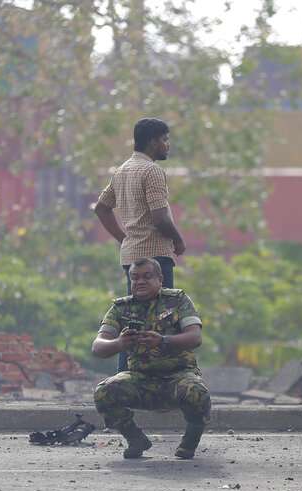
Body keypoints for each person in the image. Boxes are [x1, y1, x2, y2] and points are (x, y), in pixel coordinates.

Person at [91, 258, 210, 459]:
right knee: (104, 392)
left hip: (178, 376)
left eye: (147, 277)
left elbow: (195, 337)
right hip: (141, 379)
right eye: (135, 278)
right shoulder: (121, 308)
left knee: (197, 392)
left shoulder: (178, 300)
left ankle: (190, 441)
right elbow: (98, 347)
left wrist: (163, 341)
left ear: (160, 279)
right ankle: (135, 438)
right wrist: (120, 343)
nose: (140, 282)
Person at [93, 117, 186, 372]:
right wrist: (178, 239)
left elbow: (101, 209)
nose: (167, 146)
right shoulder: (152, 171)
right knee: (161, 323)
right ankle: (156, 382)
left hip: (131, 258)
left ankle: (125, 378)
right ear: (153, 141)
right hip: (156, 258)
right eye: (165, 140)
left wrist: (125, 238)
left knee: (132, 321)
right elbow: (160, 217)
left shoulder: (122, 170)